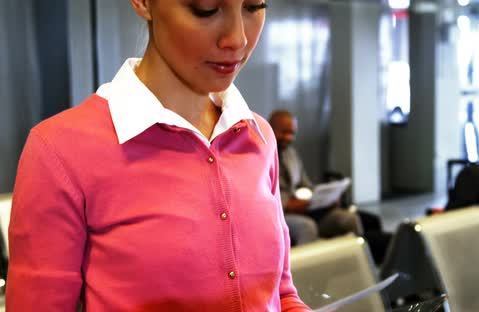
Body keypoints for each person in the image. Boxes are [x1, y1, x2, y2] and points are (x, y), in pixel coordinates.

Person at [7, 1, 311, 311]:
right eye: (205, 8)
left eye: (254, 6)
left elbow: (281, 295)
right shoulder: (61, 149)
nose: (237, 39)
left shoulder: (258, 136)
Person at [269, 110, 361, 241]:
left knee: (349, 219)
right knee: (307, 226)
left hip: (304, 209)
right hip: (280, 214)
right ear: (270, 128)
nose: (289, 137)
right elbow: (279, 203)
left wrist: (326, 198)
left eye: (292, 133)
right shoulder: (261, 157)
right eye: (284, 132)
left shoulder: (291, 154)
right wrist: (306, 204)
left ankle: (356, 259)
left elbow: (306, 185)